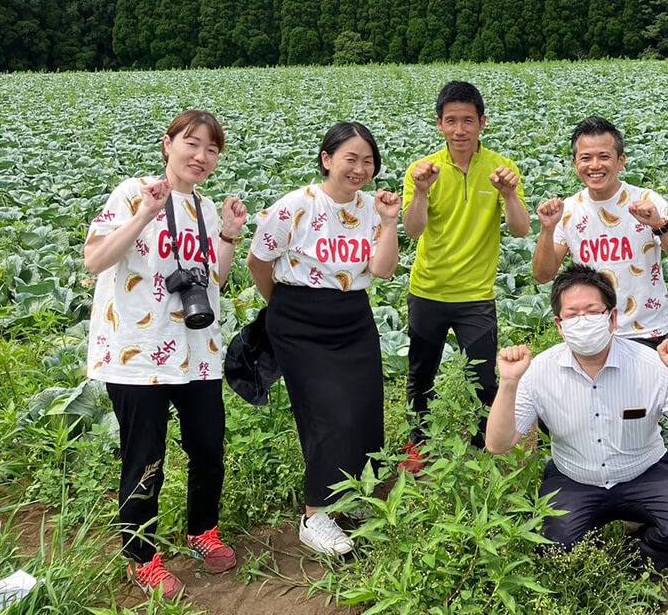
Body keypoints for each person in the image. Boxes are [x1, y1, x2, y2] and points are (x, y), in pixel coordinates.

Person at [84, 110, 247, 600]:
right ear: (168, 144)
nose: (201, 156)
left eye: (212, 149)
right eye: (192, 143)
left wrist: (231, 234)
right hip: (139, 351)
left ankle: (203, 531)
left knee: (208, 447)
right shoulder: (133, 192)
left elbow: (214, 279)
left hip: (196, 351)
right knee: (145, 457)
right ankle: (142, 556)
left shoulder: (206, 207)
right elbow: (94, 260)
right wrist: (144, 215)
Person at [486, 264, 668, 570]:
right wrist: (508, 384)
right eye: (572, 314)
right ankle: (593, 539)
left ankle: (637, 562)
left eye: (592, 311)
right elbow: (498, 444)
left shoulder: (650, 364)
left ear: (611, 318)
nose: (582, 321)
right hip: (575, 478)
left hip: (645, 472)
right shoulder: (539, 371)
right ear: (560, 325)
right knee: (554, 544)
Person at [246, 122, 400, 556]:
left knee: (366, 411)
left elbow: (384, 270)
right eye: (350, 158)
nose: (359, 168)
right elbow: (259, 262)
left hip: (353, 317)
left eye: (367, 161)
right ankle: (315, 514)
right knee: (327, 416)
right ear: (327, 159)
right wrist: (284, 306)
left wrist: (390, 223)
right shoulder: (296, 205)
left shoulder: (373, 208)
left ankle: (355, 498)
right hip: (298, 320)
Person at [401, 81, 529, 469]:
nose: (460, 129)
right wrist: (421, 192)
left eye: (468, 121)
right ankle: (417, 444)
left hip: (476, 296)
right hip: (429, 290)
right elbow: (413, 230)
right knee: (421, 374)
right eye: (452, 121)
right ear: (439, 124)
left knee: (484, 379)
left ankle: (480, 446)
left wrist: (509, 195)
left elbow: (521, 229)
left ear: (482, 123)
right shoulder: (422, 171)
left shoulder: (502, 170)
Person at [533, 116, 668, 348]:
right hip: (591, 331)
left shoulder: (648, 201)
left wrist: (658, 225)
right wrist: (547, 229)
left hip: (646, 330)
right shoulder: (568, 210)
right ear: (575, 163)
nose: (595, 166)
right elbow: (543, 275)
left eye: (604, 157)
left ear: (621, 161)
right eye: (586, 158)